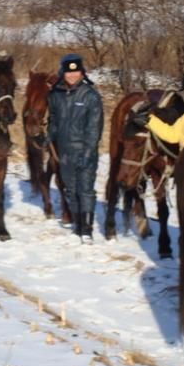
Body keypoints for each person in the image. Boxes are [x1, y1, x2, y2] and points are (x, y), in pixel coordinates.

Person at [47, 53, 103, 243]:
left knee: (85, 189)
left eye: (76, 72)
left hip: (84, 149)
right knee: (70, 189)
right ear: (62, 72)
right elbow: (53, 120)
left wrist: (88, 151)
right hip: (64, 150)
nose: (72, 76)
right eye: (68, 72)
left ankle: (87, 229)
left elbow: (94, 126)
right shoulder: (55, 94)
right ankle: (77, 224)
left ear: (81, 73)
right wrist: (49, 137)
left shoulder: (90, 96)